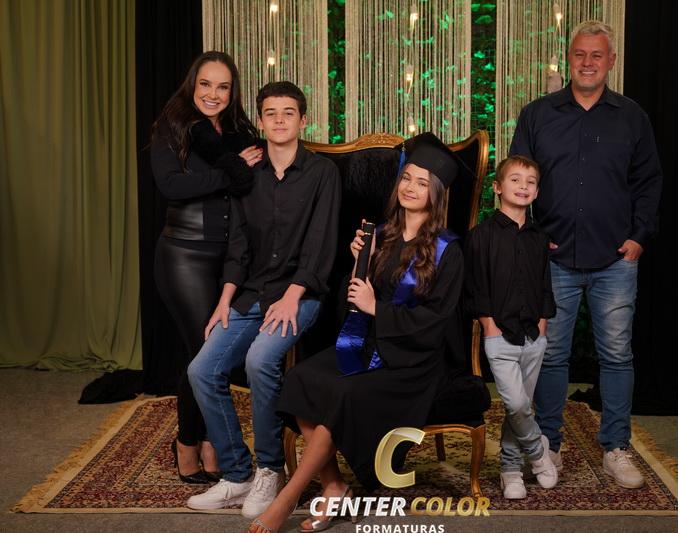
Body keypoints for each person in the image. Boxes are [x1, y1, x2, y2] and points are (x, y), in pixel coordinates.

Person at [248, 133, 466, 533]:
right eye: (407, 178)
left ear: (435, 193)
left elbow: (436, 321)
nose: (410, 187)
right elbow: (352, 303)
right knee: (300, 380)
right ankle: (334, 486)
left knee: (342, 395)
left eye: (422, 183)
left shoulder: (447, 250)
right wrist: (358, 263)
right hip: (368, 344)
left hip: (412, 361)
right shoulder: (381, 234)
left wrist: (376, 308)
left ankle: (287, 498)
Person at [509, 20, 663, 489]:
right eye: (580, 54)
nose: (588, 63)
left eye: (597, 55)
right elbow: (517, 179)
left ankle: (615, 447)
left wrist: (639, 237)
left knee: (616, 355)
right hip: (553, 259)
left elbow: (649, 181)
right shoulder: (537, 115)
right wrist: (530, 239)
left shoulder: (632, 117)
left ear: (611, 61)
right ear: (569, 58)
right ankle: (549, 445)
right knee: (551, 355)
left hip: (615, 259)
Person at [185, 81, 341, 517]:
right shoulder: (248, 173)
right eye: (270, 113)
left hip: (301, 293)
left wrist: (293, 295)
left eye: (288, 112)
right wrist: (224, 300)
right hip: (251, 291)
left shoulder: (322, 173)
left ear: (303, 120)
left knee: (259, 360)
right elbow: (237, 246)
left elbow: (320, 243)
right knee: (201, 369)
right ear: (260, 120)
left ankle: (270, 470)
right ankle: (237, 475)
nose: (279, 120)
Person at [151, 51, 262, 483]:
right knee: (204, 353)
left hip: (229, 256)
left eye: (223, 86)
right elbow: (172, 186)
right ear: (192, 85)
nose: (213, 94)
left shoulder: (237, 133)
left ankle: (209, 441)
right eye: (205, 84)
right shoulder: (173, 127)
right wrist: (232, 172)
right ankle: (189, 444)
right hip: (185, 253)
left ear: (232, 92)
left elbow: (254, 182)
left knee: (219, 356)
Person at [464, 155, 558, 499]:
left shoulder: (539, 237)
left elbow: (544, 284)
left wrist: (543, 325)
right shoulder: (480, 236)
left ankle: (510, 469)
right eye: (515, 180)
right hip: (499, 335)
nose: (523, 186)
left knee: (521, 407)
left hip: (534, 335)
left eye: (530, 182)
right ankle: (537, 451)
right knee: (517, 404)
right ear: (498, 187)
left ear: (537, 191)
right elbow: (476, 287)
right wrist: (489, 326)